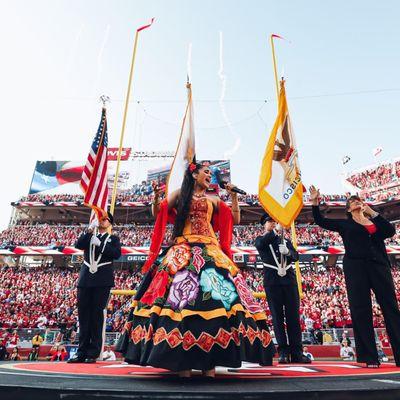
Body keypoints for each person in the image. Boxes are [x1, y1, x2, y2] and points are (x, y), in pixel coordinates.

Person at [116, 162, 275, 377]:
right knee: (179, 302)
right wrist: (155, 198)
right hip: (182, 249)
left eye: (210, 172)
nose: (210, 175)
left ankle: (210, 362)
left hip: (210, 249)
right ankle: (182, 364)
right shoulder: (180, 194)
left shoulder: (214, 200)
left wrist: (234, 197)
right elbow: (159, 211)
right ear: (194, 174)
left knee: (219, 301)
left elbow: (234, 219)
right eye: (206, 172)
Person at [310, 186, 400, 368]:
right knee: (361, 309)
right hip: (355, 267)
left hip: (379, 265)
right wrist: (314, 202)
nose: (356, 202)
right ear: (349, 209)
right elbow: (320, 220)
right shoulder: (345, 224)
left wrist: (372, 212)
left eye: (358, 200)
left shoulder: (374, 221)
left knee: (390, 307)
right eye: (352, 202)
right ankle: (370, 357)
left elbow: (390, 231)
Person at [255, 214, 311, 364]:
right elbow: (261, 244)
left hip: (289, 280)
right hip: (272, 282)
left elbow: (296, 256)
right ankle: (283, 352)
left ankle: (297, 352)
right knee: (277, 318)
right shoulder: (261, 240)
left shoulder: (285, 240)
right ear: (264, 225)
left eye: (274, 221)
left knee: (293, 318)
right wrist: (275, 232)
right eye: (269, 222)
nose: (273, 224)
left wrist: (288, 252)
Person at [68, 212, 121, 364]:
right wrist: (89, 231)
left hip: (102, 279)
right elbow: (78, 245)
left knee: (96, 316)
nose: (103, 221)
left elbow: (116, 254)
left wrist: (101, 246)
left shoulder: (113, 239)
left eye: (106, 219)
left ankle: (93, 352)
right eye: (101, 218)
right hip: (86, 279)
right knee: (83, 316)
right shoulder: (90, 236)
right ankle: (81, 352)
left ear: (110, 223)